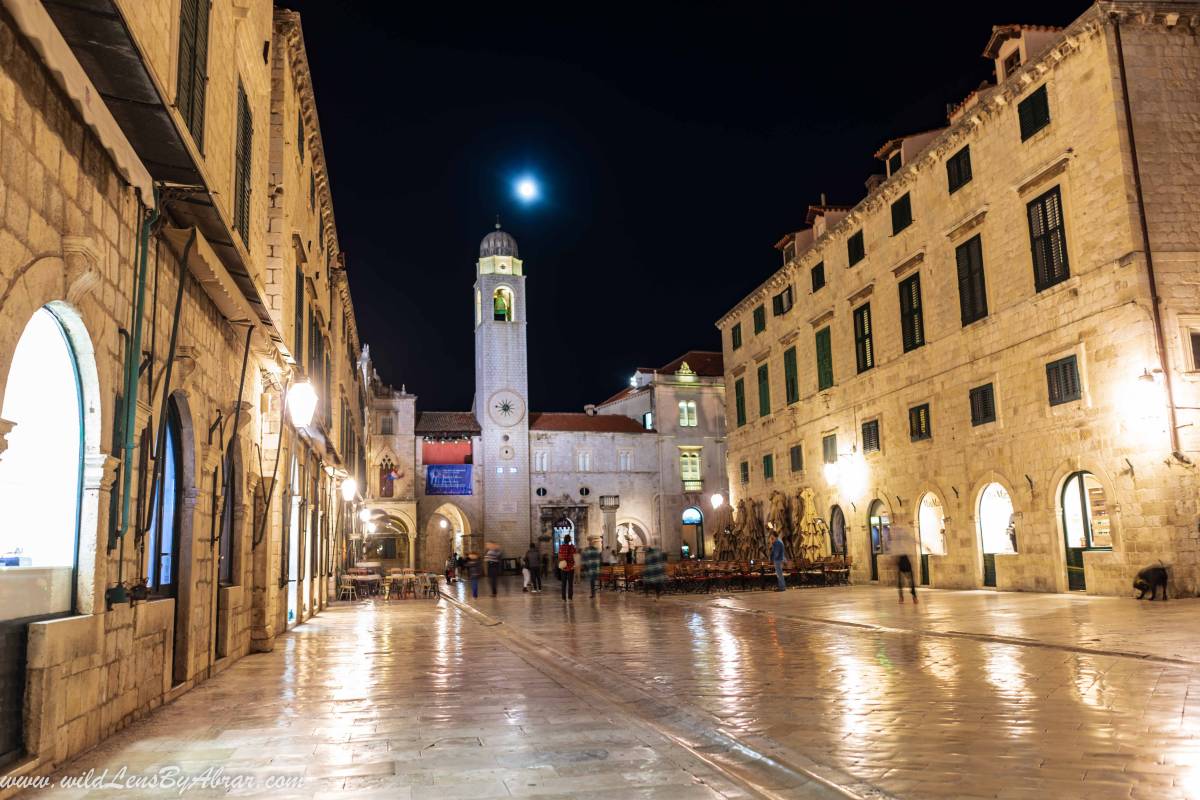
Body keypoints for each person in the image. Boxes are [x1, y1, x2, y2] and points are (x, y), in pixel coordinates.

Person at [890, 526, 918, 603]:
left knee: (909, 580)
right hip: (901, 560)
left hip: (904, 558)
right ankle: (904, 597)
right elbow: (893, 553)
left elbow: (914, 541)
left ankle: (912, 596)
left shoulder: (901, 538)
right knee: (901, 581)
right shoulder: (895, 542)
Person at [557, 534, 577, 600]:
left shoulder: (561, 547)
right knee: (570, 583)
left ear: (564, 540)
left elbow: (559, 557)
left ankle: (563, 597)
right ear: (570, 540)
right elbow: (574, 557)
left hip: (563, 567)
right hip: (570, 567)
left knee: (563, 583)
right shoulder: (573, 547)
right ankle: (570, 597)